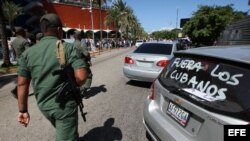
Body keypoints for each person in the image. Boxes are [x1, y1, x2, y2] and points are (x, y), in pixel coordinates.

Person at [17, 13, 88, 141]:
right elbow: (82, 77)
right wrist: (74, 83)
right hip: (63, 107)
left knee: (67, 131)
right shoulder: (67, 48)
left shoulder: (28, 53)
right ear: (59, 30)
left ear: (43, 30)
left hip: (43, 106)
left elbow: (22, 84)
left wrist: (23, 110)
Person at [10, 26, 30, 98]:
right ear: (22, 32)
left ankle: (16, 90)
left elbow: (13, 51)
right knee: (27, 77)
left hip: (19, 61)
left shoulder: (13, 42)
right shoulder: (24, 41)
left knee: (22, 77)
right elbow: (28, 52)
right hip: (26, 61)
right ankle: (16, 91)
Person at [73, 31, 93, 98]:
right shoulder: (81, 44)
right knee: (89, 75)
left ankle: (79, 90)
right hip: (82, 63)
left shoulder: (71, 44)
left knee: (77, 78)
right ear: (79, 36)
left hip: (73, 63)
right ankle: (83, 90)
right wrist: (89, 60)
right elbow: (86, 54)